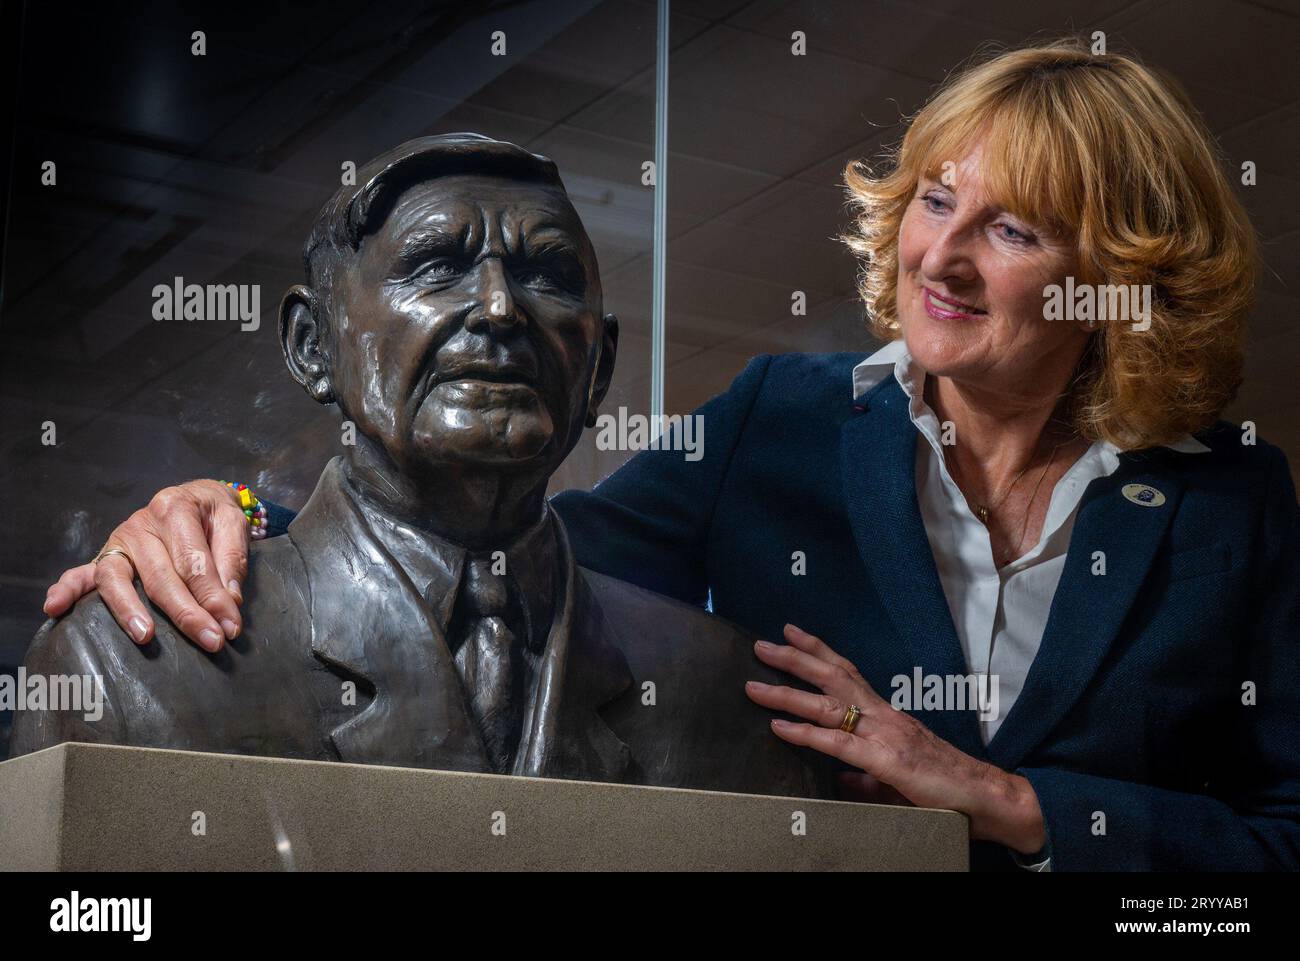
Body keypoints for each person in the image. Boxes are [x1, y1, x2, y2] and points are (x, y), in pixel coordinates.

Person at [38, 40, 1300, 871]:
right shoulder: (782, 419)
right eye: (932, 199)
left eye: (1010, 228)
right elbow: (504, 553)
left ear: (1118, 276)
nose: (940, 257)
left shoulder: (1228, 503)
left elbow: (1281, 850)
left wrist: (1006, 803)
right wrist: (230, 514)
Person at [9, 133, 828, 801]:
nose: (502, 309)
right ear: (312, 347)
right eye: (438, 266)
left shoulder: (726, 696)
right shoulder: (123, 666)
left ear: (601, 366)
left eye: (546, 274)